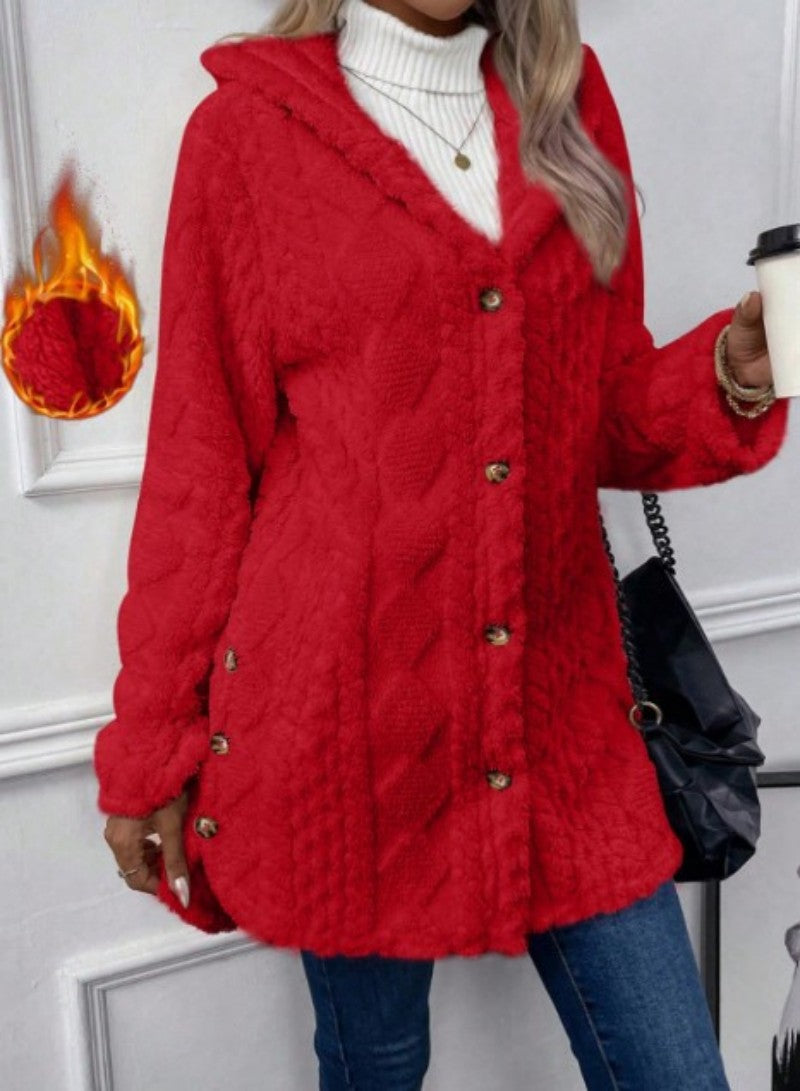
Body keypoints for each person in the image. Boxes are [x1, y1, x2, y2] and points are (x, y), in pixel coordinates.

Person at [96, 1, 789, 1087]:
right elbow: (200, 459)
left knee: (673, 1066)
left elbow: (597, 408)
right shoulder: (247, 133)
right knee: (374, 1063)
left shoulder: (568, 102)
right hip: (343, 734)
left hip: (562, 718)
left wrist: (729, 372)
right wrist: (150, 749)